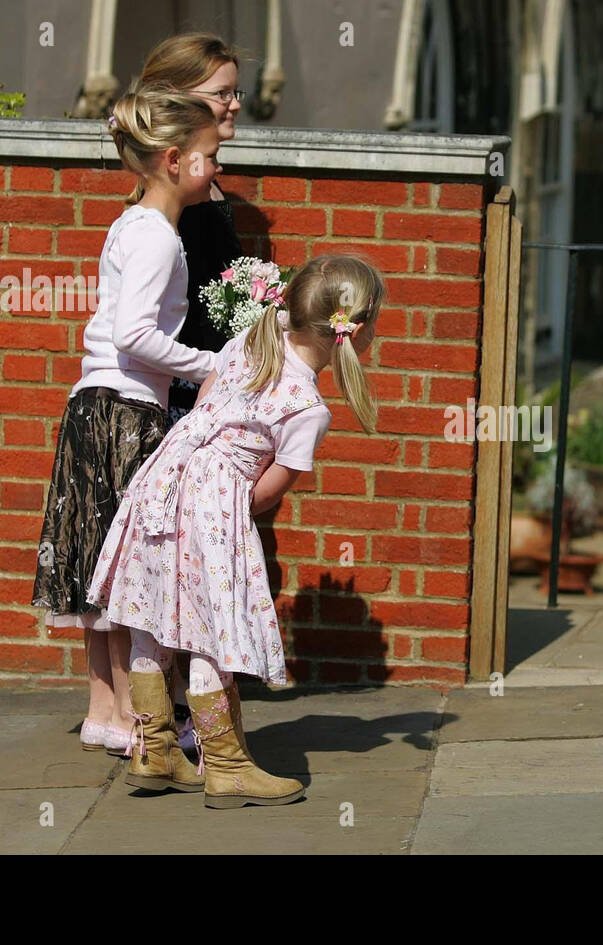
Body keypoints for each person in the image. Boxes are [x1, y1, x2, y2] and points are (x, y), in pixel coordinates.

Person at [86, 255, 382, 808]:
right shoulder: (308, 406)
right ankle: (224, 765)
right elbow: (272, 486)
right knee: (212, 623)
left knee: (154, 611)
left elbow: (203, 403)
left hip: (163, 474)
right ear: (355, 330)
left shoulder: (253, 336)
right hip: (214, 497)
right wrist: (228, 511)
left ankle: (154, 750)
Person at [30, 86, 221, 754]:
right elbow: (135, 333)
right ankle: (137, 720)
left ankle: (108, 714)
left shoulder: (136, 224)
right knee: (130, 570)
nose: (216, 169)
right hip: (124, 411)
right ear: (174, 159)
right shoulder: (157, 239)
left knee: (101, 565)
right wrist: (209, 365)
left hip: (98, 405)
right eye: (209, 156)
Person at [135, 32, 246, 750]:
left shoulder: (207, 199)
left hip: (206, 395)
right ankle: (189, 729)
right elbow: (161, 324)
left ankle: (181, 725)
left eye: (236, 90)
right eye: (221, 93)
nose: (235, 103)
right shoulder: (174, 211)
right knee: (191, 567)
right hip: (186, 403)